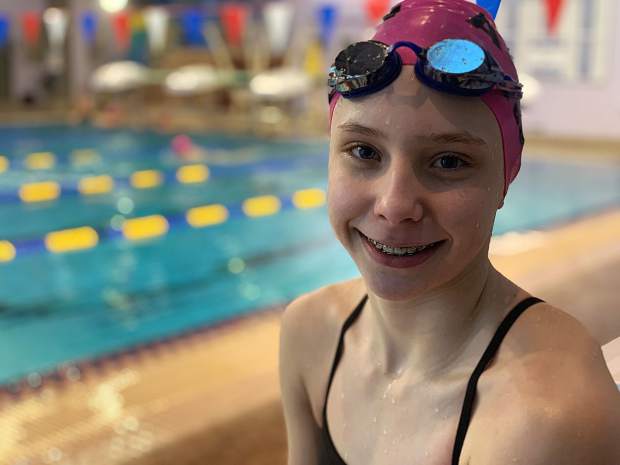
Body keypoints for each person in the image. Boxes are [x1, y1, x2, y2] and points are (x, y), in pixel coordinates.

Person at [278, 1, 620, 464]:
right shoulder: (310, 333)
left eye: (449, 161)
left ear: (506, 177)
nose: (395, 205)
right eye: (363, 152)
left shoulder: (543, 414)